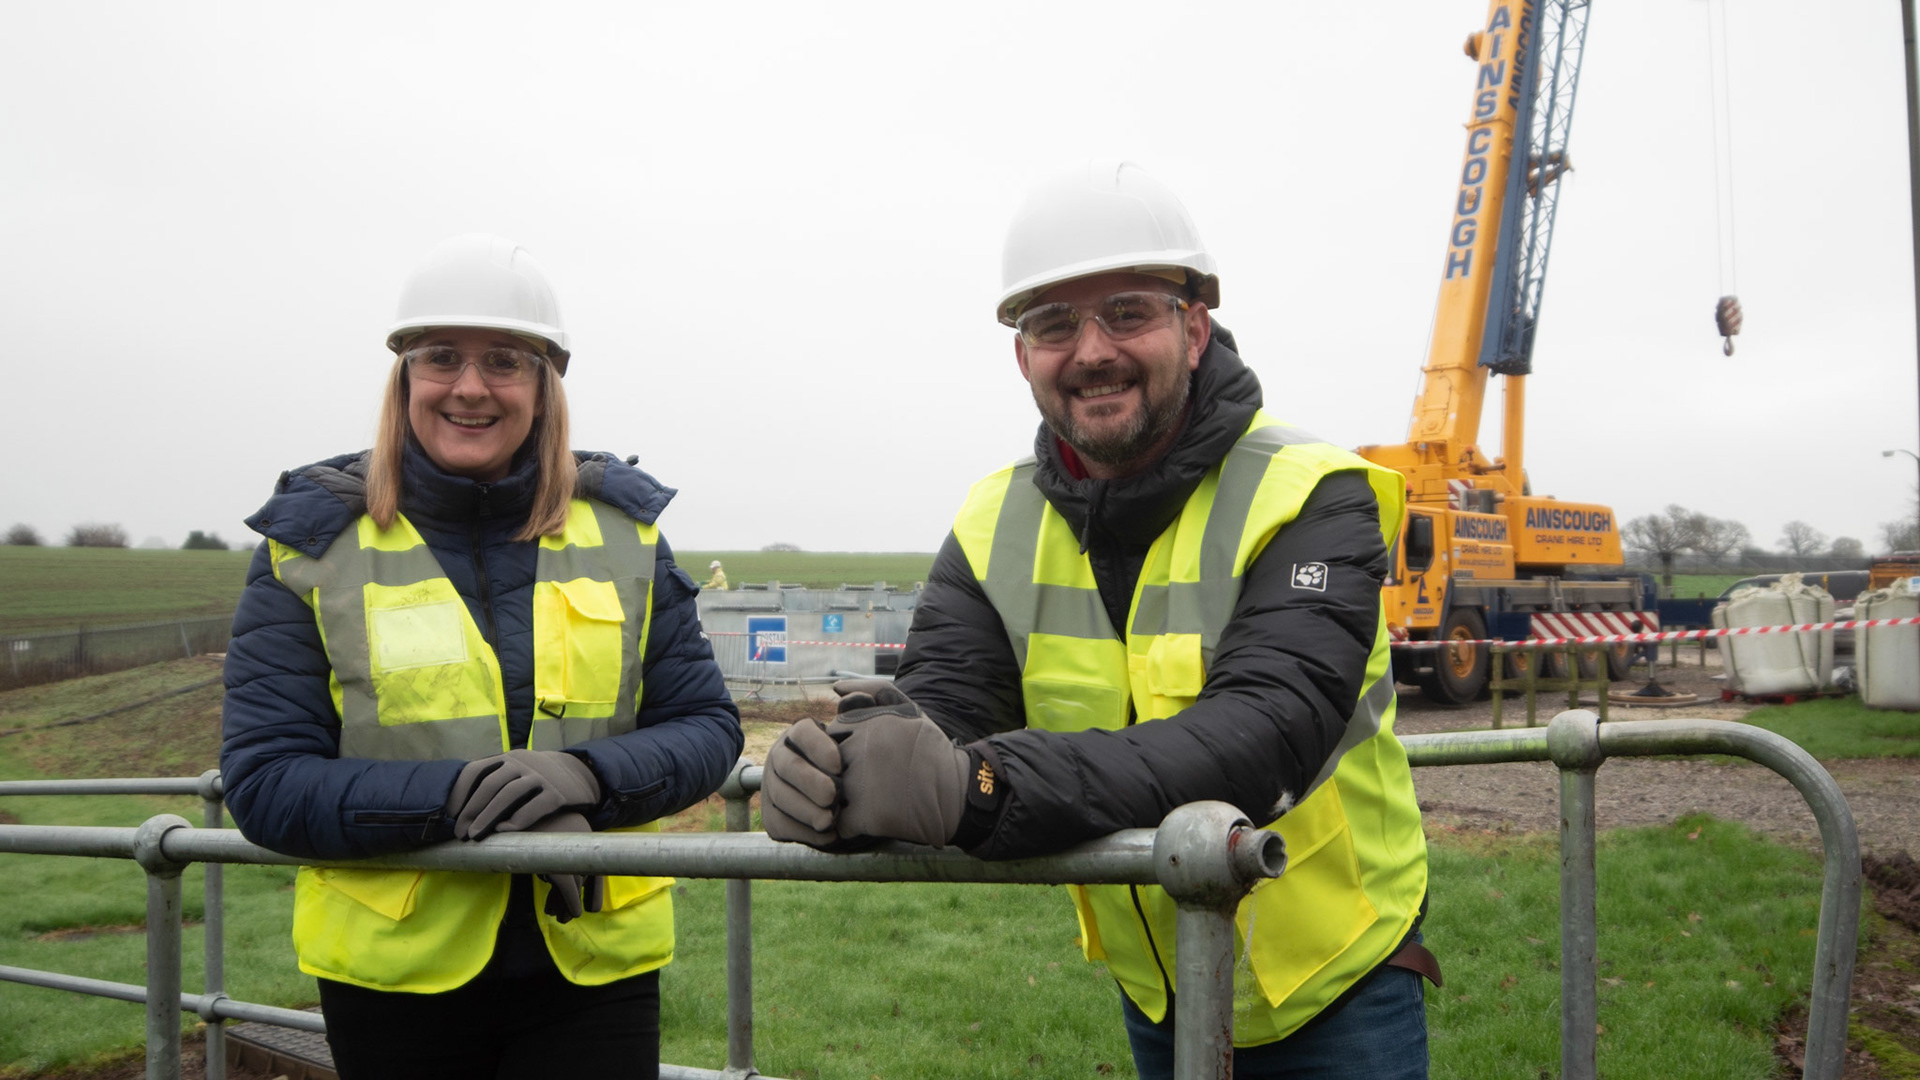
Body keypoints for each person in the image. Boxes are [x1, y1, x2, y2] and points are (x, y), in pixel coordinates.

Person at [761, 163, 1433, 1078]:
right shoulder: (995, 520)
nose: (1090, 351)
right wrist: (847, 767)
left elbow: (1267, 729)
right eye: (1052, 324)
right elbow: (944, 711)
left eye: (1127, 313)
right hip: (1158, 984)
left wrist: (983, 786)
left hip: (1339, 978)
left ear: (1193, 329)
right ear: (1021, 354)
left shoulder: (1312, 492)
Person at [220, 233, 744, 1080]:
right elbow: (265, 780)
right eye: (441, 359)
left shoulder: (627, 536)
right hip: (394, 983)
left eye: (505, 360)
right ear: (405, 380)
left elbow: (707, 727)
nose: (470, 386)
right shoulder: (309, 549)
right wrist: (464, 798)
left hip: (594, 969)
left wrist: (588, 782)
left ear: (544, 386)